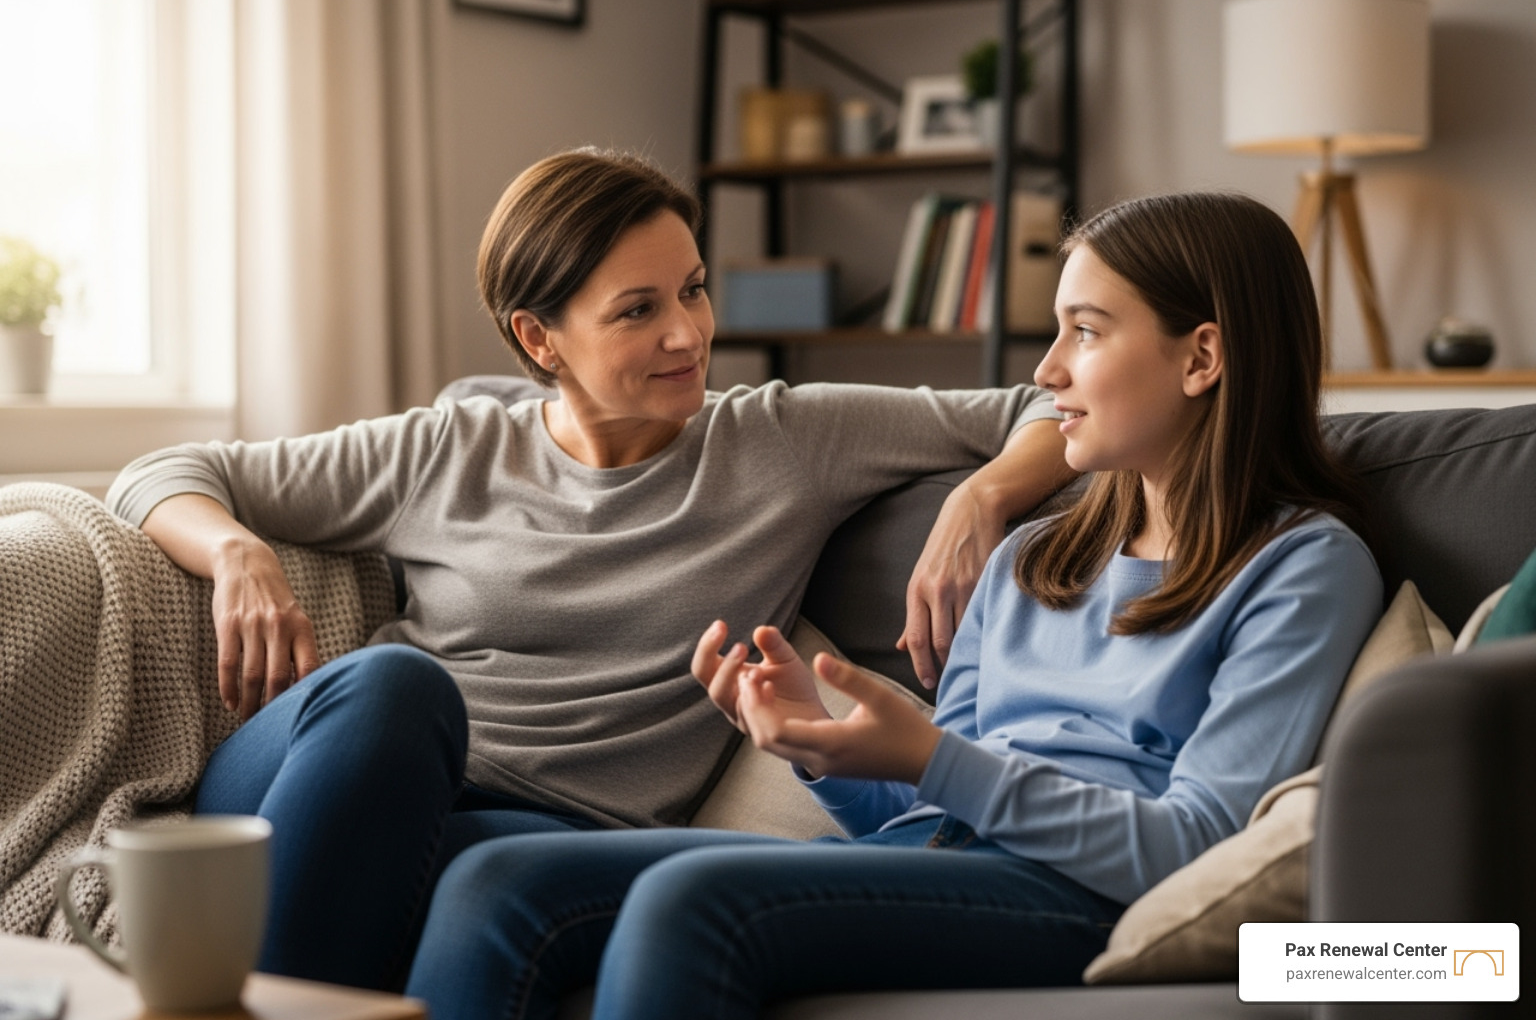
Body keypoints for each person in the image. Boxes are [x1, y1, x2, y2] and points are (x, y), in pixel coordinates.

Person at [401, 190, 1384, 1020]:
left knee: (694, 901)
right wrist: (821, 746)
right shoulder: (1034, 556)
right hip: (952, 859)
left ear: (1201, 357)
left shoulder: (1300, 568)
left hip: (1085, 892)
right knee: (501, 883)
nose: (1045, 372)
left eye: (1084, 331)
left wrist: (926, 753)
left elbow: (1198, 843)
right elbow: (923, 812)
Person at [103, 148, 1071, 990]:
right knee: (396, 685)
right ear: (539, 337)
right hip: (333, 781)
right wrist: (238, 552)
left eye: (693, 288)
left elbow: (1041, 408)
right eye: (638, 310)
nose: (689, 334)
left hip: (552, 831)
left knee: (465, 861)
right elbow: (163, 470)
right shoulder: (446, 449)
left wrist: (978, 499)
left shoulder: (783, 436)